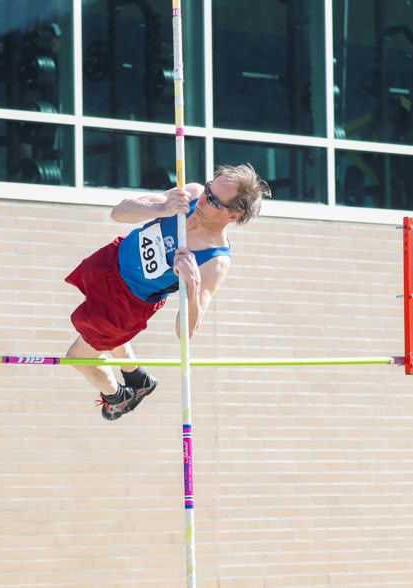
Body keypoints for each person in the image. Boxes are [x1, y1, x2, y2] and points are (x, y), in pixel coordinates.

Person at [65, 164, 272, 421]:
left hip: (125, 302)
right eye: (208, 189)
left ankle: (116, 396)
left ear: (233, 216)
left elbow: (185, 331)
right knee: (103, 339)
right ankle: (137, 378)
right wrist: (160, 208)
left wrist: (193, 283)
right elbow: (118, 212)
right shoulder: (192, 195)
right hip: (110, 261)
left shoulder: (214, 262)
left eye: (214, 201)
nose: (204, 199)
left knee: (77, 358)